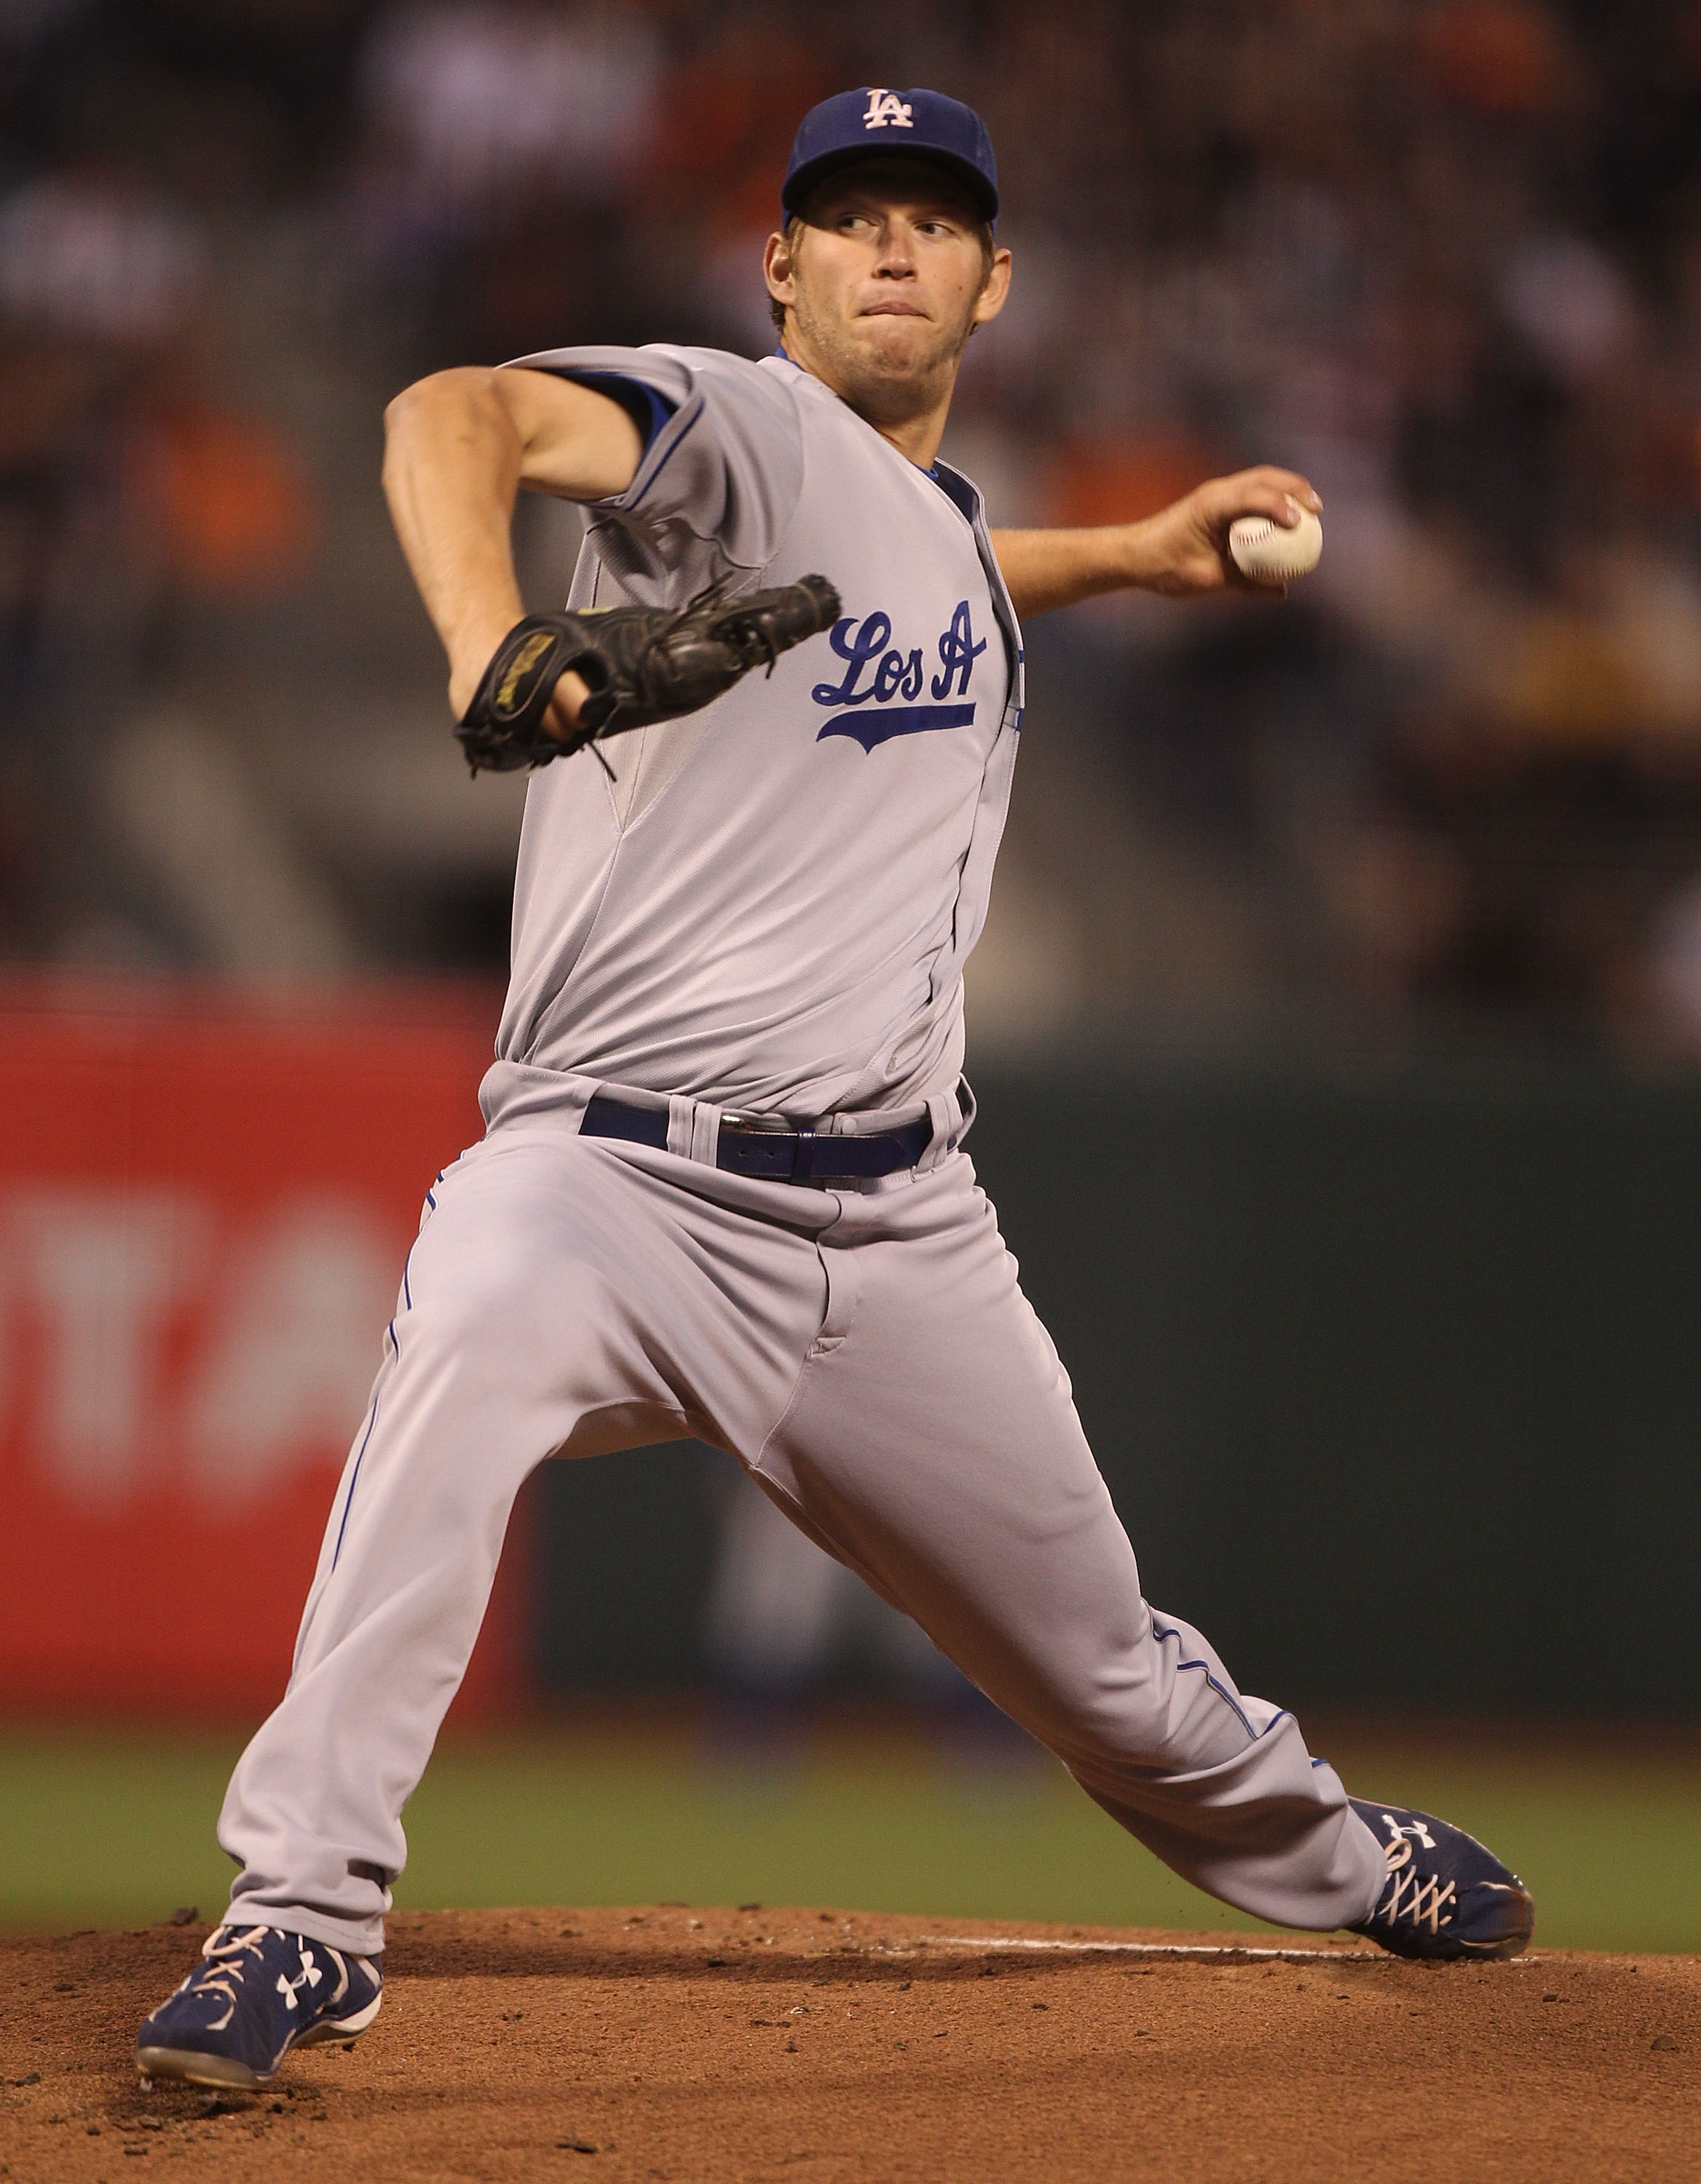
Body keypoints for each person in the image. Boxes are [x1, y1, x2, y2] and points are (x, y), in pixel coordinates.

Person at [136, 87, 1533, 2091]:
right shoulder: (735, 429)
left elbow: (944, 566)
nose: (893, 246)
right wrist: (489, 632)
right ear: (776, 269)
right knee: (456, 1352)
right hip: (609, 1184)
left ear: (996, 279)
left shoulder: (940, 531)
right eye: (848, 217)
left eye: (933, 219)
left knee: (1110, 1675)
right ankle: (301, 1915)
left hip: (892, 1234)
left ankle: (1325, 1852)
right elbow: (452, 410)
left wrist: (1131, 555)